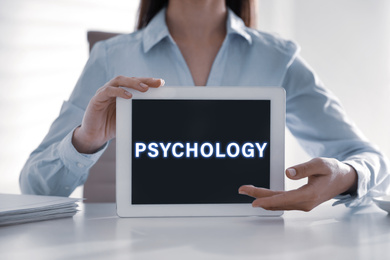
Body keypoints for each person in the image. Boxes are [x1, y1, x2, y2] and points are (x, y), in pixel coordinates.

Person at [19, 0, 390, 211]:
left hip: (251, 247)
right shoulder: (111, 57)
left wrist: (347, 175)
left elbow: (367, 157)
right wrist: (86, 139)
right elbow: (35, 186)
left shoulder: (279, 58)